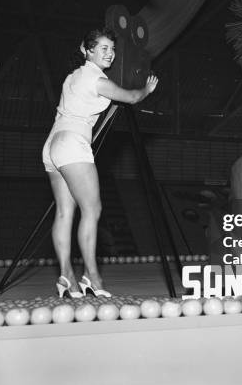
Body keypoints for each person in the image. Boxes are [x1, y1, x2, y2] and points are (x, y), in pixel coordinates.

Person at [42, 29, 158, 298]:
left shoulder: (72, 77)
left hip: (52, 145)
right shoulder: (96, 79)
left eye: (112, 49)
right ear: (87, 50)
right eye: (103, 48)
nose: (110, 53)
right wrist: (146, 89)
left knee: (64, 212)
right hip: (73, 144)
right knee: (92, 211)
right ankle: (92, 277)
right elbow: (131, 97)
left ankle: (66, 276)